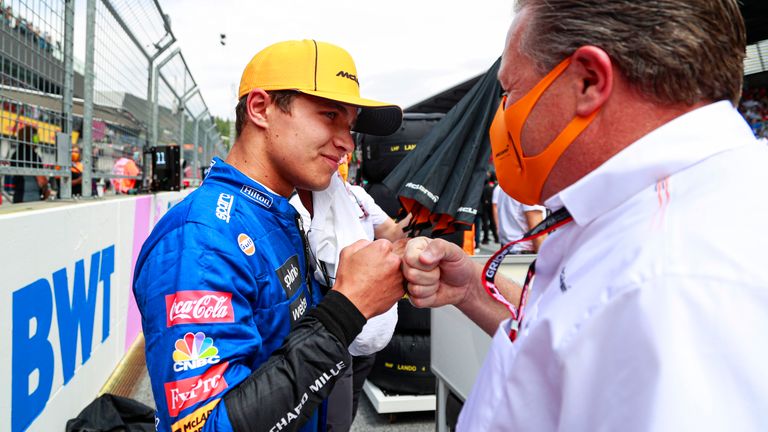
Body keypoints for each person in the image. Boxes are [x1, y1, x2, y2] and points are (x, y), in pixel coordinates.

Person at [402, 0, 768, 430]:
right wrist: (471, 291)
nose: (501, 118)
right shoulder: (649, 209)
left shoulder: (674, 281)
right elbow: (572, 343)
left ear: (588, 81)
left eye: (509, 92)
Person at [133, 39, 405, 432]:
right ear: (260, 109)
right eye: (330, 115)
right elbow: (205, 426)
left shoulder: (276, 212)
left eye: (349, 125)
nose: (347, 142)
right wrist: (346, 309)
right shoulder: (201, 239)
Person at [290, 154, 408, 431]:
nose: (341, 159)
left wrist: (423, 213)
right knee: (335, 416)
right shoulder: (299, 203)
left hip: (369, 317)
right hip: (332, 320)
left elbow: (392, 231)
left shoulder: (357, 196)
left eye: (346, 158)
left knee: (352, 400)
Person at [491, 183, 546, 253]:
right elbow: (537, 230)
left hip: (510, 248)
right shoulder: (528, 186)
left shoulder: (506, 185)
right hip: (525, 251)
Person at [10, 125, 50, 203]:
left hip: (18, 196)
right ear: (31, 137)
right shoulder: (33, 155)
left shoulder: (15, 154)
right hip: (31, 198)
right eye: (36, 136)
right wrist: (46, 191)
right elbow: (41, 180)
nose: (38, 139)